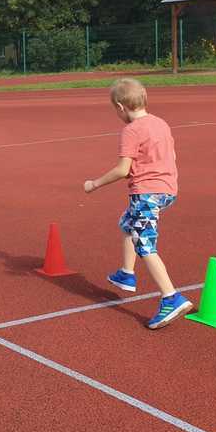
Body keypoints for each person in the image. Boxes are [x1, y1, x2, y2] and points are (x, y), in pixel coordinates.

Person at [83, 78, 193, 330]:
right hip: (167, 190)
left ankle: (171, 297)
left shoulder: (131, 131)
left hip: (146, 193)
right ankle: (126, 273)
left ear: (120, 107)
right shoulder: (160, 123)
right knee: (127, 223)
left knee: (144, 243)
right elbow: (172, 155)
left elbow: (123, 170)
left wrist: (94, 184)